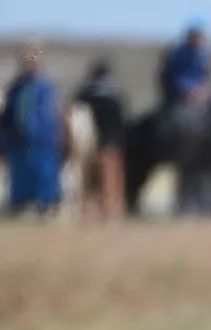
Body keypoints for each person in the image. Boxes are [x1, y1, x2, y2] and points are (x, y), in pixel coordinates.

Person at [0, 43, 63, 215]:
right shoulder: (15, 89)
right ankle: (21, 203)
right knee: (21, 175)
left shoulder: (45, 87)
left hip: (43, 141)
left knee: (44, 173)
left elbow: (53, 115)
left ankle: (47, 203)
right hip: (18, 142)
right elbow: (8, 115)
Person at [74, 60, 126, 219]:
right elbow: (121, 122)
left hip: (87, 146)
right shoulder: (115, 96)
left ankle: (89, 213)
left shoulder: (83, 94)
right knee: (110, 183)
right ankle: (111, 213)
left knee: (88, 183)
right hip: (110, 145)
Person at [158, 23, 211, 109]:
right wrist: (188, 89)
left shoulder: (203, 54)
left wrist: (202, 88)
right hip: (180, 89)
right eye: (195, 37)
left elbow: (205, 75)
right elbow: (176, 74)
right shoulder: (179, 53)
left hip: (198, 90)